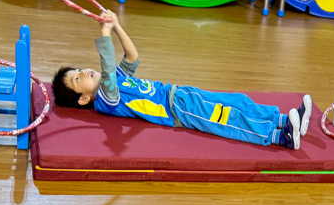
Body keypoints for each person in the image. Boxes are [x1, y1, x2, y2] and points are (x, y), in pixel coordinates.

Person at [52, 10, 312, 149]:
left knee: (236, 101)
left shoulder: (116, 80)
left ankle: (282, 119)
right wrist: (105, 33)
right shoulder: (105, 100)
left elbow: (132, 58)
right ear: (83, 99)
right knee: (226, 118)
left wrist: (117, 26)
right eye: (76, 79)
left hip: (180, 92)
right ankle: (279, 137)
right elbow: (108, 70)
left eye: (79, 70)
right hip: (177, 109)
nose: (83, 72)